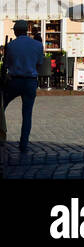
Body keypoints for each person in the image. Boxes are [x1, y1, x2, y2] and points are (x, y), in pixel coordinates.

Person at [1, 20, 44, 152]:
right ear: (27, 30)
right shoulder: (37, 45)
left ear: (15, 31)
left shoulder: (11, 46)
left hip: (14, 81)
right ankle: (23, 143)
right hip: (30, 81)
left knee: (2, 106)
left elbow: (6, 66)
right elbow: (39, 64)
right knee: (27, 114)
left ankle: (1, 133)